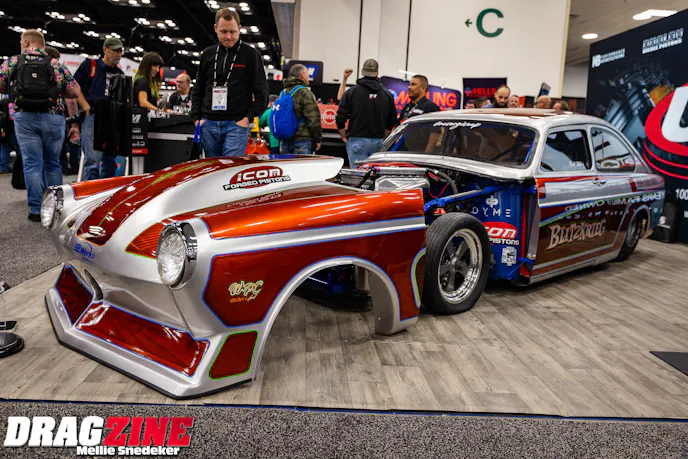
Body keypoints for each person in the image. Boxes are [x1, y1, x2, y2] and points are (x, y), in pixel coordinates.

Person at [0, 29, 81, 221]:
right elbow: (75, 92)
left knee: (32, 165)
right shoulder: (55, 64)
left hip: (25, 117)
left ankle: (36, 210)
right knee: (52, 164)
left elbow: (1, 85)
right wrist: (57, 91)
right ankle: (55, 209)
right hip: (53, 116)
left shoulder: (13, 61)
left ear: (26, 42)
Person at [191, 8, 268, 157]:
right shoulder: (207, 54)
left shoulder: (251, 55)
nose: (228, 36)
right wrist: (196, 119)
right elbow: (198, 89)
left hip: (236, 125)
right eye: (223, 31)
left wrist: (247, 119)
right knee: (213, 168)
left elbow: (262, 93)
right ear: (215, 29)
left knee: (230, 167)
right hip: (208, 124)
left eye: (232, 32)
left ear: (239, 28)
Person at [74, 37, 124, 180]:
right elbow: (75, 87)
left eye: (120, 51)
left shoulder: (119, 73)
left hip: (111, 120)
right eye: (115, 51)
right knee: (92, 161)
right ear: (105, 50)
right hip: (93, 117)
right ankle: (91, 191)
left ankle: (106, 190)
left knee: (110, 161)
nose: (118, 54)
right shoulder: (91, 65)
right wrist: (86, 107)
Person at [336, 59, 397, 166]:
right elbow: (392, 119)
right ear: (377, 73)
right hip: (378, 141)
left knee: (358, 174)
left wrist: (343, 135)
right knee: (375, 173)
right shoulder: (387, 95)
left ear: (362, 73)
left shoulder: (352, 92)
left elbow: (340, 116)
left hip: (357, 140)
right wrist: (384, 136)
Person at [45, 45, 83, 175]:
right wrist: (74, 124)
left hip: (30, 117)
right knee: (55, 159)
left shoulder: (28, 69)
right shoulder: (59, 71)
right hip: (56, 117)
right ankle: (65, 172)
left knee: (34, 161)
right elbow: (71, 100)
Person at [278, 64, 321, 154]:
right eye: (307, 74)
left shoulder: (283, 93)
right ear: (302, 75)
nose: (308, 77)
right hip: (302, 140)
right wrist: (317, 139)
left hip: (284, 139)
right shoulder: (304, 92)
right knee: (301, 163)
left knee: (285, 163)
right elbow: (313, 117)